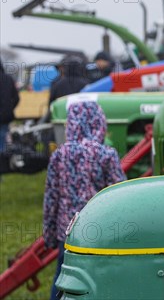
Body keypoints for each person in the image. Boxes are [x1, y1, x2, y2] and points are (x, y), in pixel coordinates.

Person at [43, 101, 125, 299]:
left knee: (63, 278)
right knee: (98, 279)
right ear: (99, 123)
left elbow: (51, 197)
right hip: (100, 231)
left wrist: (49, 234)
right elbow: (120, 195)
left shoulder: (60, 155)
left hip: (68, 232)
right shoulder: (106, 154)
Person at [0, 58, 20, 152]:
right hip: (5, 117)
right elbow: (16, 98)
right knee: (3, 141)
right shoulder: (8, 79)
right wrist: (9, 108)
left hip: (5, 116)